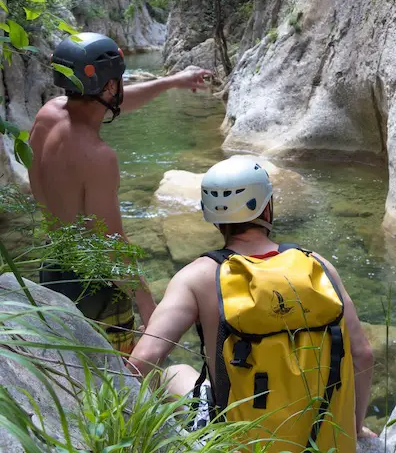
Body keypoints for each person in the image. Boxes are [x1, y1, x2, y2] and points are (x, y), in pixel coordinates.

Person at [128, 157, 375, 450]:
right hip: (325, 440)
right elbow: (363, 355)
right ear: (267, 207)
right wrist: (355, 428)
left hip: (240, 444)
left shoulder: (197, 276)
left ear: (212, 216)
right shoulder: (318, 265)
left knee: (174, 372)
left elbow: (143, 362)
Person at [30, 32, 212, 352]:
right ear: (111, 85)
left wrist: (171, 82)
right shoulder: (98, 156)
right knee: (120, 383)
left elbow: (108, 103)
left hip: (53, 270)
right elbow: (112, 247)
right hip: (94, 289)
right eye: (117, 80)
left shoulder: (48, 113)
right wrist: (147, 306)